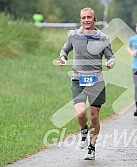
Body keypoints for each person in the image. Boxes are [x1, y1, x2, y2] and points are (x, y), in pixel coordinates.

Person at [57, 7, 115, 160]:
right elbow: (64, 51)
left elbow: (111, 57)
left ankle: (92, 148)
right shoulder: (73, 35)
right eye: (84, 18)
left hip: (96, 81)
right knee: (81, 114)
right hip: (78, 80)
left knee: (95, 117)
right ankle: (83, 130)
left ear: (94, 19)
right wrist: (62, 58)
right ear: (80, 20)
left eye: (89, 17)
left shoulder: (103, 38)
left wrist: (110, 62)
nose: (86, 20)